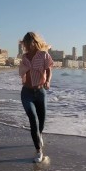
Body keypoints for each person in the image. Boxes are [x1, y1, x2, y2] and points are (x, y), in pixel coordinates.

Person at [19, 32, 54, 163]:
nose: (28, 45)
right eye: (26, 43)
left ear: (35, 42)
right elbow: (22, 72)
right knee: (33, 121)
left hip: (40, 93)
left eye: (30, 42)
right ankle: (39, 151)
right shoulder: (24, 57)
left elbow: (49, 69)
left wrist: (48, 81)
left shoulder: (44, 55)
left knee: (42, 122)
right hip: (26, 93)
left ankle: (39, 135)